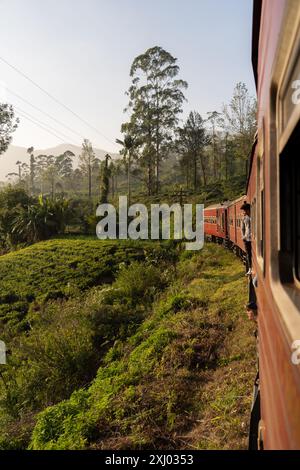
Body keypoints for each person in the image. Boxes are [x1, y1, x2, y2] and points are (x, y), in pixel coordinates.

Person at [241, 201, 252, 275]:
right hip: (247, 238)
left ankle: (251, 268)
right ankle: (250, 268)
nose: (244, 212)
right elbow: (242, 228)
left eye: (245, 210)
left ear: (248, 210)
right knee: (248, 254)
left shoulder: (253, 216)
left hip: (252, 238)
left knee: (250, 254)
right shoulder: (244, 218)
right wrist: (243, 236)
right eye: (243, 211)